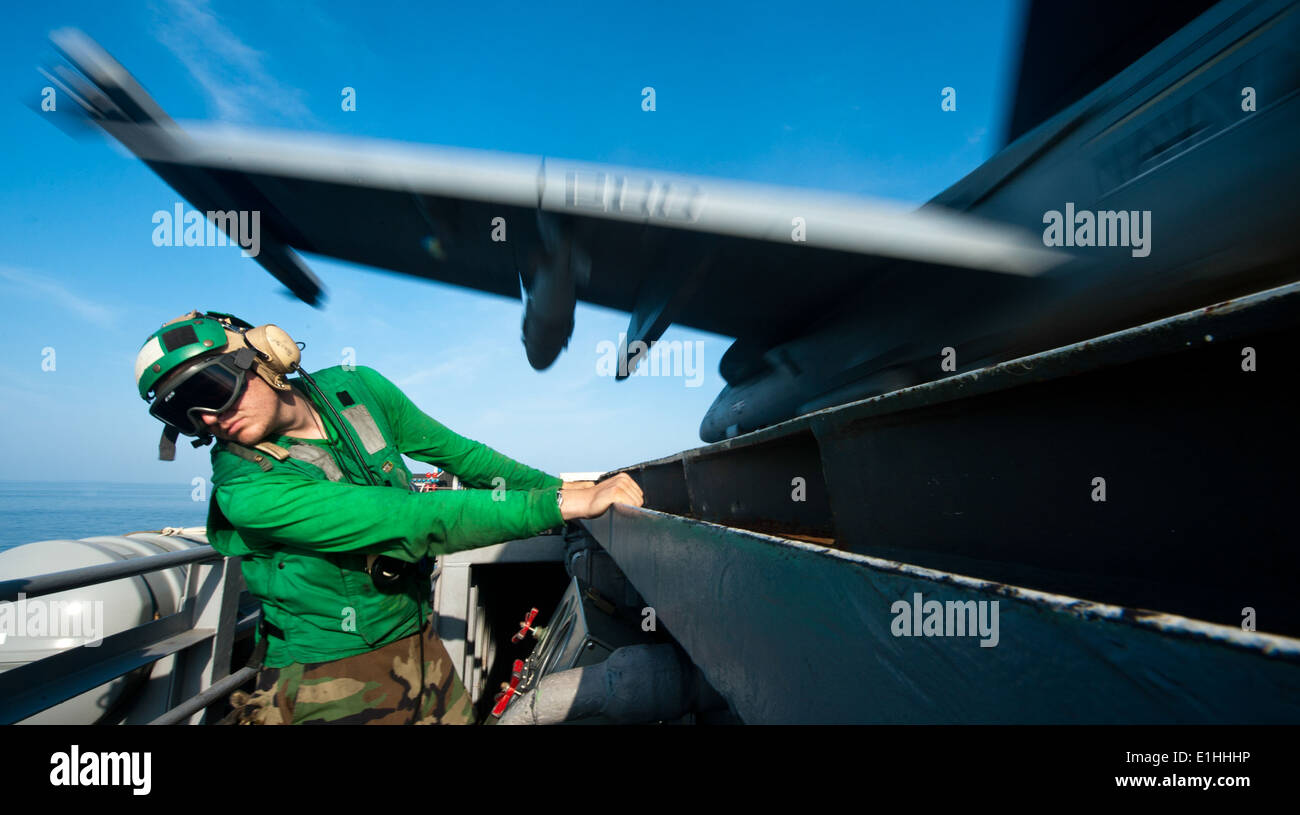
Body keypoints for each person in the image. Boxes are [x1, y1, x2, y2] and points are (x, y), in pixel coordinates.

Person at [134, 310, 643, 724]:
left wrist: (564, 488)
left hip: (417, 639)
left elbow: (463, 457)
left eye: (211, 389)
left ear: (264, 355)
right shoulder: (246, 488)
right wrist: (558, 506)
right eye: (184, 414)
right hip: (326, 677)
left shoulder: (357, 390)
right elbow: (410, 518)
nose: (208, 418)